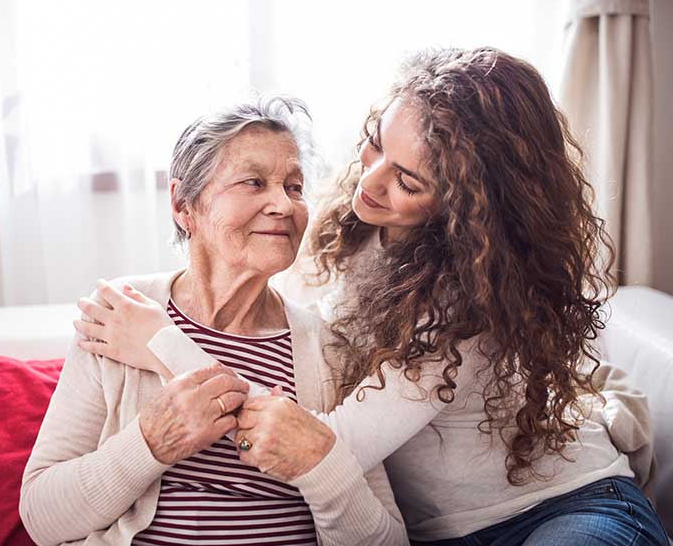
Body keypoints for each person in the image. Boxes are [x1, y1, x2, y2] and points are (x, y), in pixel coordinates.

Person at [76, 48, 668, 545]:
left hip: (563, 511)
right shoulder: (350, 223)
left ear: (469, 205)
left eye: (408, 181)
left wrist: (161, 344)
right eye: (375, 142)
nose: (371, 179)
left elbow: (322, 446)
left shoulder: (469, 294)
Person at [19, 95, 409, 546]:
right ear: (185, 204)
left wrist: (318, 462)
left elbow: (387, 541)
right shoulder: (121, 312)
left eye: (295, 187)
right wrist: (151, 442)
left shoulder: (329, 351)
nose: (283, 204)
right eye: (254, 182)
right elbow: (42, 516)